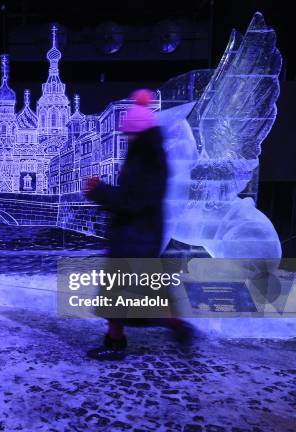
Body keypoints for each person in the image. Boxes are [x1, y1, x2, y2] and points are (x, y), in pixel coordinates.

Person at [84, 89, 193, 361]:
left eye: (129, 133)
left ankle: (167, 328)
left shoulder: (149, 162)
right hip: (133, 236)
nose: (125, 137)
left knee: (127, 298)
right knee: (121, 296)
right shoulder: (145, 157)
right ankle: (120, 339)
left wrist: (99, 191)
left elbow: (133, 200)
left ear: (139, 133)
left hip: (137, 240)